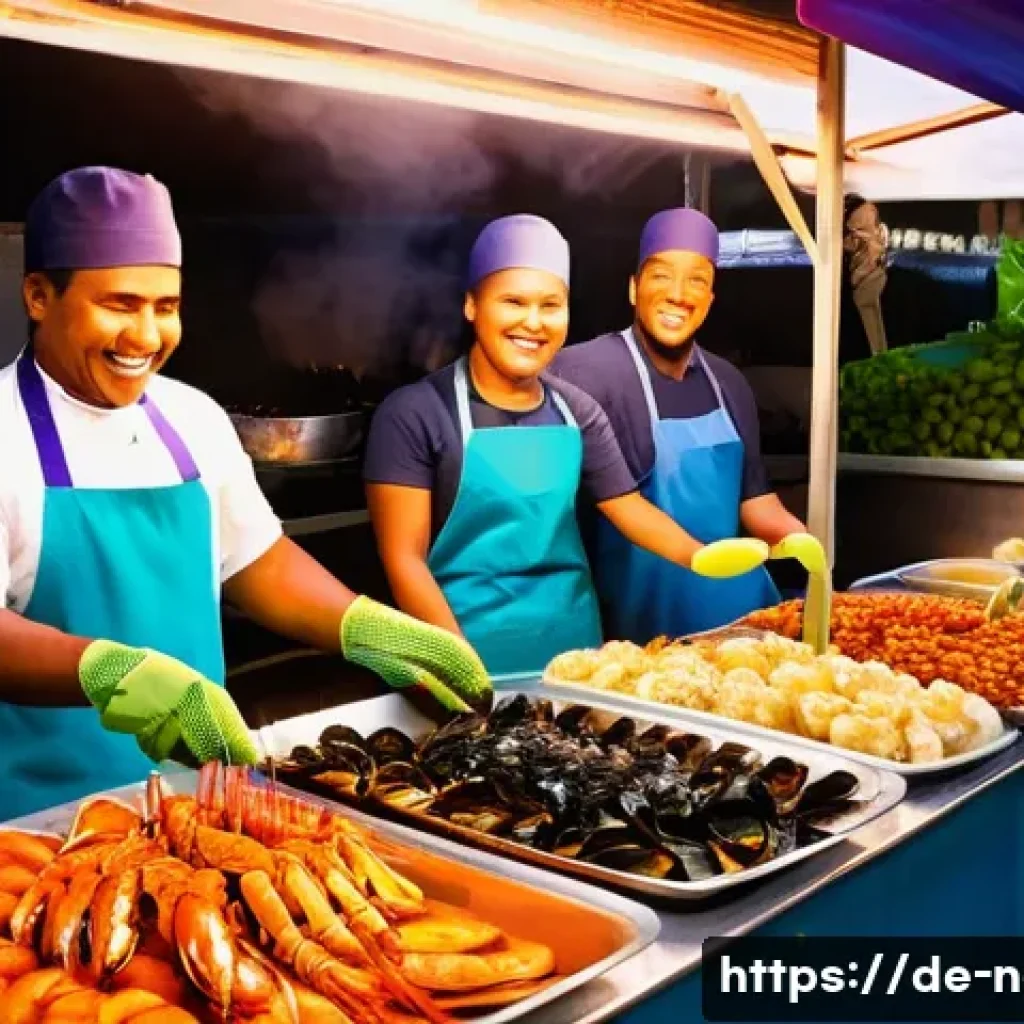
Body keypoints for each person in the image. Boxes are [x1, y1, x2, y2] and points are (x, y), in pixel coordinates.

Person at [0, 166, 491, 821]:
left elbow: (256, 560)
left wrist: (365, 627)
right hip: (45, 823)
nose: (146, 337)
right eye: (119, 303)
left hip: (200, 809)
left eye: (165, 307)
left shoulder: (192, 416)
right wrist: (107, 671)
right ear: (38, 295)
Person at [363, 214, 753, 678]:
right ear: (472, 305)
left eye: (551, 305)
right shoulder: (414, 414)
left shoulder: (578, 410)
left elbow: (629, 508)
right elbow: (404, 559)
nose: (533, 322)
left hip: (572, 662)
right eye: (513, 301)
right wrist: (458, 666)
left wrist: (698, 556)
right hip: (456, 657)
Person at [553, 207, 807, 644]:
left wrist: (798, 539)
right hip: (634, 631)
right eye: (662, 275)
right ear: (634, 288)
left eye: (697, 280)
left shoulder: (727, 382)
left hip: (738, 624)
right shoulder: (579, 372)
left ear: (710, 299)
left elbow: (755, 500)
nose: (678, 294)